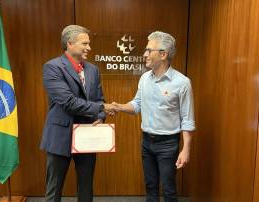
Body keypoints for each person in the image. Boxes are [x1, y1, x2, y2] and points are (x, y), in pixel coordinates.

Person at [112, 31, 195, 202]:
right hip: (146, 142)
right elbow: (137, 105)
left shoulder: (182, 82)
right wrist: (119, 107)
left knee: (168, 188)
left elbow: (187, 120)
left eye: (149, 50)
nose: (145, 54)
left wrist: (186, 149)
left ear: (163, 54)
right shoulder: (144, 78)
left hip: (168, 144)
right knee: (150, 186)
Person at [40, 25, 115, 202]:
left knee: (86, 187)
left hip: (87, 135)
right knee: (54, 188)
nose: (89, 47)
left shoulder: (93, 69)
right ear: (70, 43)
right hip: (60, 136)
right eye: (85, 43)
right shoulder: (52, 67)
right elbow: (68, 102)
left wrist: (100, 116)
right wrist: (103, 108)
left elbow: (98, 98)